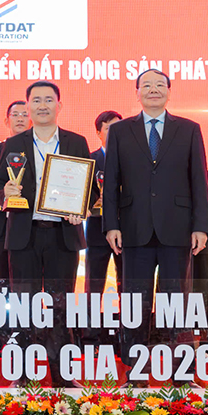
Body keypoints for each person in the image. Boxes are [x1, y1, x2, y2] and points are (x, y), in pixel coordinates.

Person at [103, 69, 208, 350]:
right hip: (134, 228)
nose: (153, 90)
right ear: (137, 93)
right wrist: (111, 225)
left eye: (160, 85)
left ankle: (181, 367)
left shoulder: (189, 129)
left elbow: (199, 180)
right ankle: (135, 366)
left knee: (177, 302)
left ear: (168, 92)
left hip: (177, 228)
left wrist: (201, 226)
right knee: (135, 302)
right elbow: (111, 182)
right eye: (147, 85)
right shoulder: (120, 131)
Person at [0, 81, 91, 380]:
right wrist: (5, 193)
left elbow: (90, 187)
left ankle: (63, 376)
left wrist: (82, 207)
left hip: (63, 235)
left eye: (49, 100)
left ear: (59, 106)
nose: (43, 105)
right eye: (36, 100)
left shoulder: (76, 142)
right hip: (25, 235)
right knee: (24, 305)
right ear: (28, 107)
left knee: (62, 305)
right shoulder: (15, 144)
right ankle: (23, 375)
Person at [0, 100, 30, 292]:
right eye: (15, 115)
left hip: (29, 228)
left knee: (28, 284)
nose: (20, 119)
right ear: (6, 121)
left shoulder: (38, 151)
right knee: (1, 283)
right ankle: (3, 311)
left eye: (25, 115)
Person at [85, 110, 123, 297]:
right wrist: (92, 200)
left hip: (127, 229)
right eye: (109, 128)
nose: (114, 132)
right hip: (96, 229)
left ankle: (128, 317)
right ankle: (90, 317)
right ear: (98, 133)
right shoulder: (89, 160)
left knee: (127, 283)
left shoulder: (134, 160)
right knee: (94, 283)